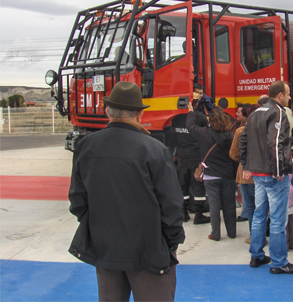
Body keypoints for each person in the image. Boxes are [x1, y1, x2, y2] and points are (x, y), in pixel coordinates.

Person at [68, 81, 185, 302]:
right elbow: (171, 204)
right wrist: (171, 241)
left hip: (106, 250)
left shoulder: (85, 146)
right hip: (149, 250)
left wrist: (99, 229)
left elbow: (77, 201)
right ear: (139, 115)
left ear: (107, 111)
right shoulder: (154, 149)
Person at [239, 80, 293, 274]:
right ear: (280, 95)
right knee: (277, 218)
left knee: (258, 215)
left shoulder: (255, 113)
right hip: (272, 174)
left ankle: (256, 256)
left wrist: (247, 165)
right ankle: (279, 262)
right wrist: (278, 170)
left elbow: (244, 139)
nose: (290, 97)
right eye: (288, 94)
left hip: (258, 172)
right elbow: (276, 143)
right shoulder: (279, 112)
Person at [187, 105, 236, 241]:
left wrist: (191, 112)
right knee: (229, 204)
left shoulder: (204, 133)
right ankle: (231, 232)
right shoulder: (230, 136)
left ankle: (215, 234)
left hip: (210, 174)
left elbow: (190, 127)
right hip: (227, 174)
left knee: (214, 206)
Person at [172, 99, 210, 224]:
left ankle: (183, 212)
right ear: (195, 104)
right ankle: (198, 214)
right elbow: (207, 132)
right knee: (198, 183)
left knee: (183, 184)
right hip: (196, 156)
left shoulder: (176, 118)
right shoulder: (200, 117)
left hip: (182, 156)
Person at [229, 104, 259, 242]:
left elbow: (234, 154)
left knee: (251, 205)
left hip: (246, 174)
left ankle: (254, 235)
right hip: (263, 172)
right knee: (263, 205)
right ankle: (264, 231)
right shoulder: (266, 129)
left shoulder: (240, 131)